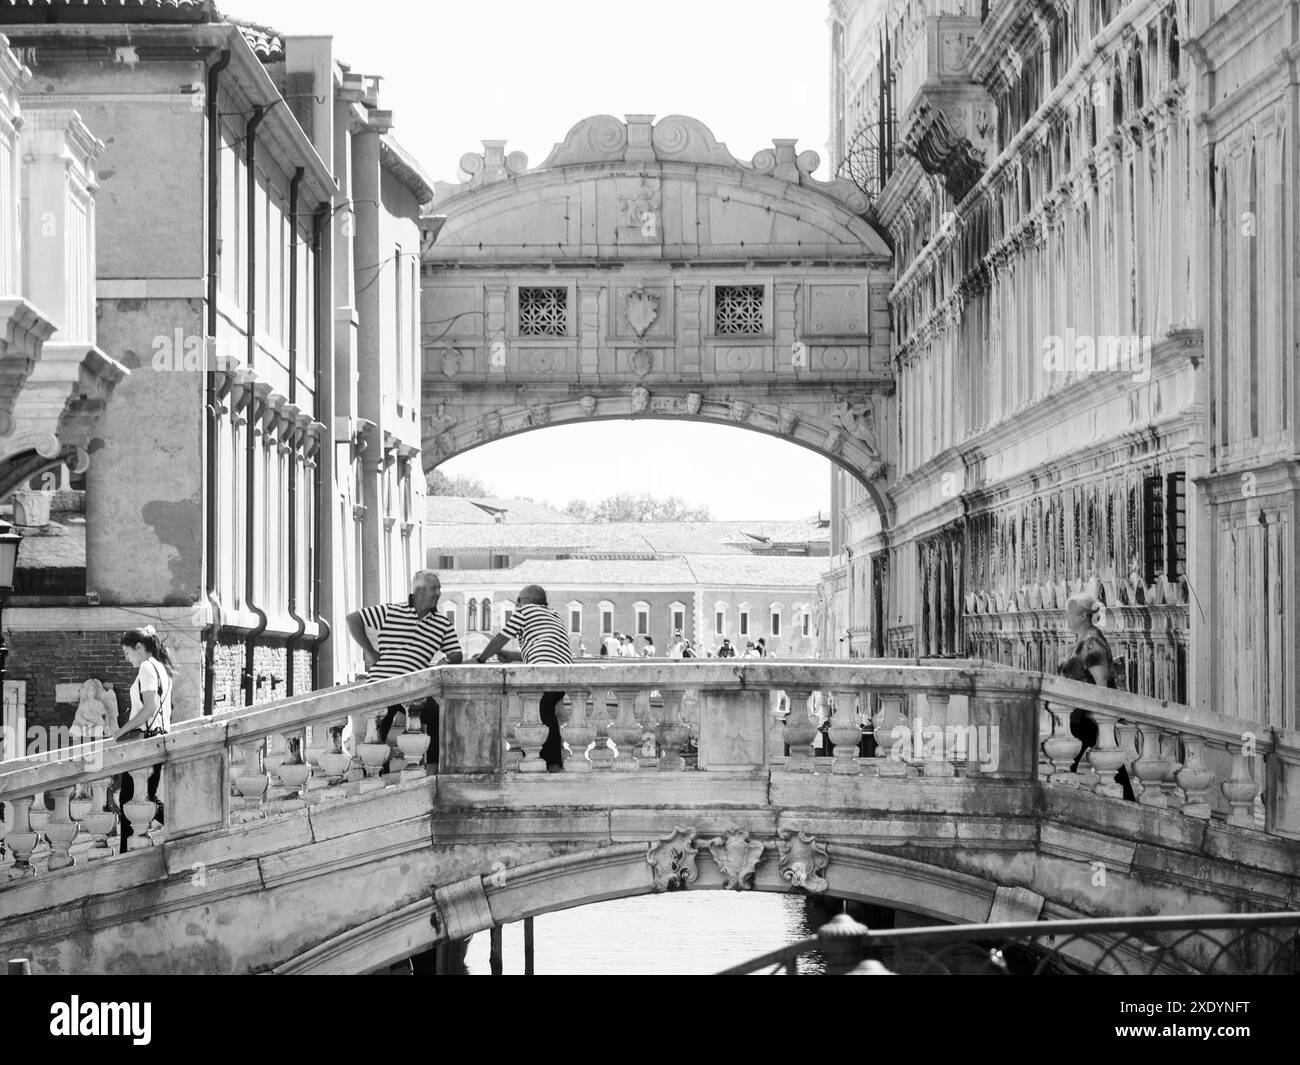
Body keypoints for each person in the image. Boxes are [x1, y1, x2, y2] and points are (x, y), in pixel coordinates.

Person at [346, 570, 462, 764]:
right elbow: (353, 619)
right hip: (382, 683)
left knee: (440, 718)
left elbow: (456, 654)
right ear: (418, 591)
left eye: (439, 588)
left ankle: (433, 768)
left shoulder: (442, 623)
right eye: (434, 588)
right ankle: (374, 774)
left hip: (412, 688)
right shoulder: (390, 611)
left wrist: (447, 662)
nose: (439, 593)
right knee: (377, 730)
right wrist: (370, 651)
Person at [473, 584, 571, 772]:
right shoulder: (555, 616)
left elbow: (501, 638)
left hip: (542, 673)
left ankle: (552, 763)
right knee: (546, 711)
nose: (517, 605)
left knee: (542, 712)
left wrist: (481, 659)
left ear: (530, 601)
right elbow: (542, 648)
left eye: (519, 600)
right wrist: (511, 656)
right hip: (562, 673)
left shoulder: (525, 612)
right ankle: (549, 760)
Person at [1059, 592, 1134, 800]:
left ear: (1083, 616)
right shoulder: (1084, 638)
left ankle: (1064, 799)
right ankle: (1127, 799)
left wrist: (1099, 715)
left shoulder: (1092, 641)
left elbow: (1101, 681)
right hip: (1078, 715)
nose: (1067, 618)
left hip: (1086, 716)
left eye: (1070, 614)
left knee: (1063, 761)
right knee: (1105, 762)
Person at [115, 626, 175, 851]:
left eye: (127, 652)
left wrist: (122, 730)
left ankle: (126, 855)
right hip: (157, 739)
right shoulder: (162, 669)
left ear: (139, 647)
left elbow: (149, 708)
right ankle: (183, 822)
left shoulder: (147, 668)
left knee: (130, 800)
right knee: (144, 797)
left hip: (144, 741)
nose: (126, 657)